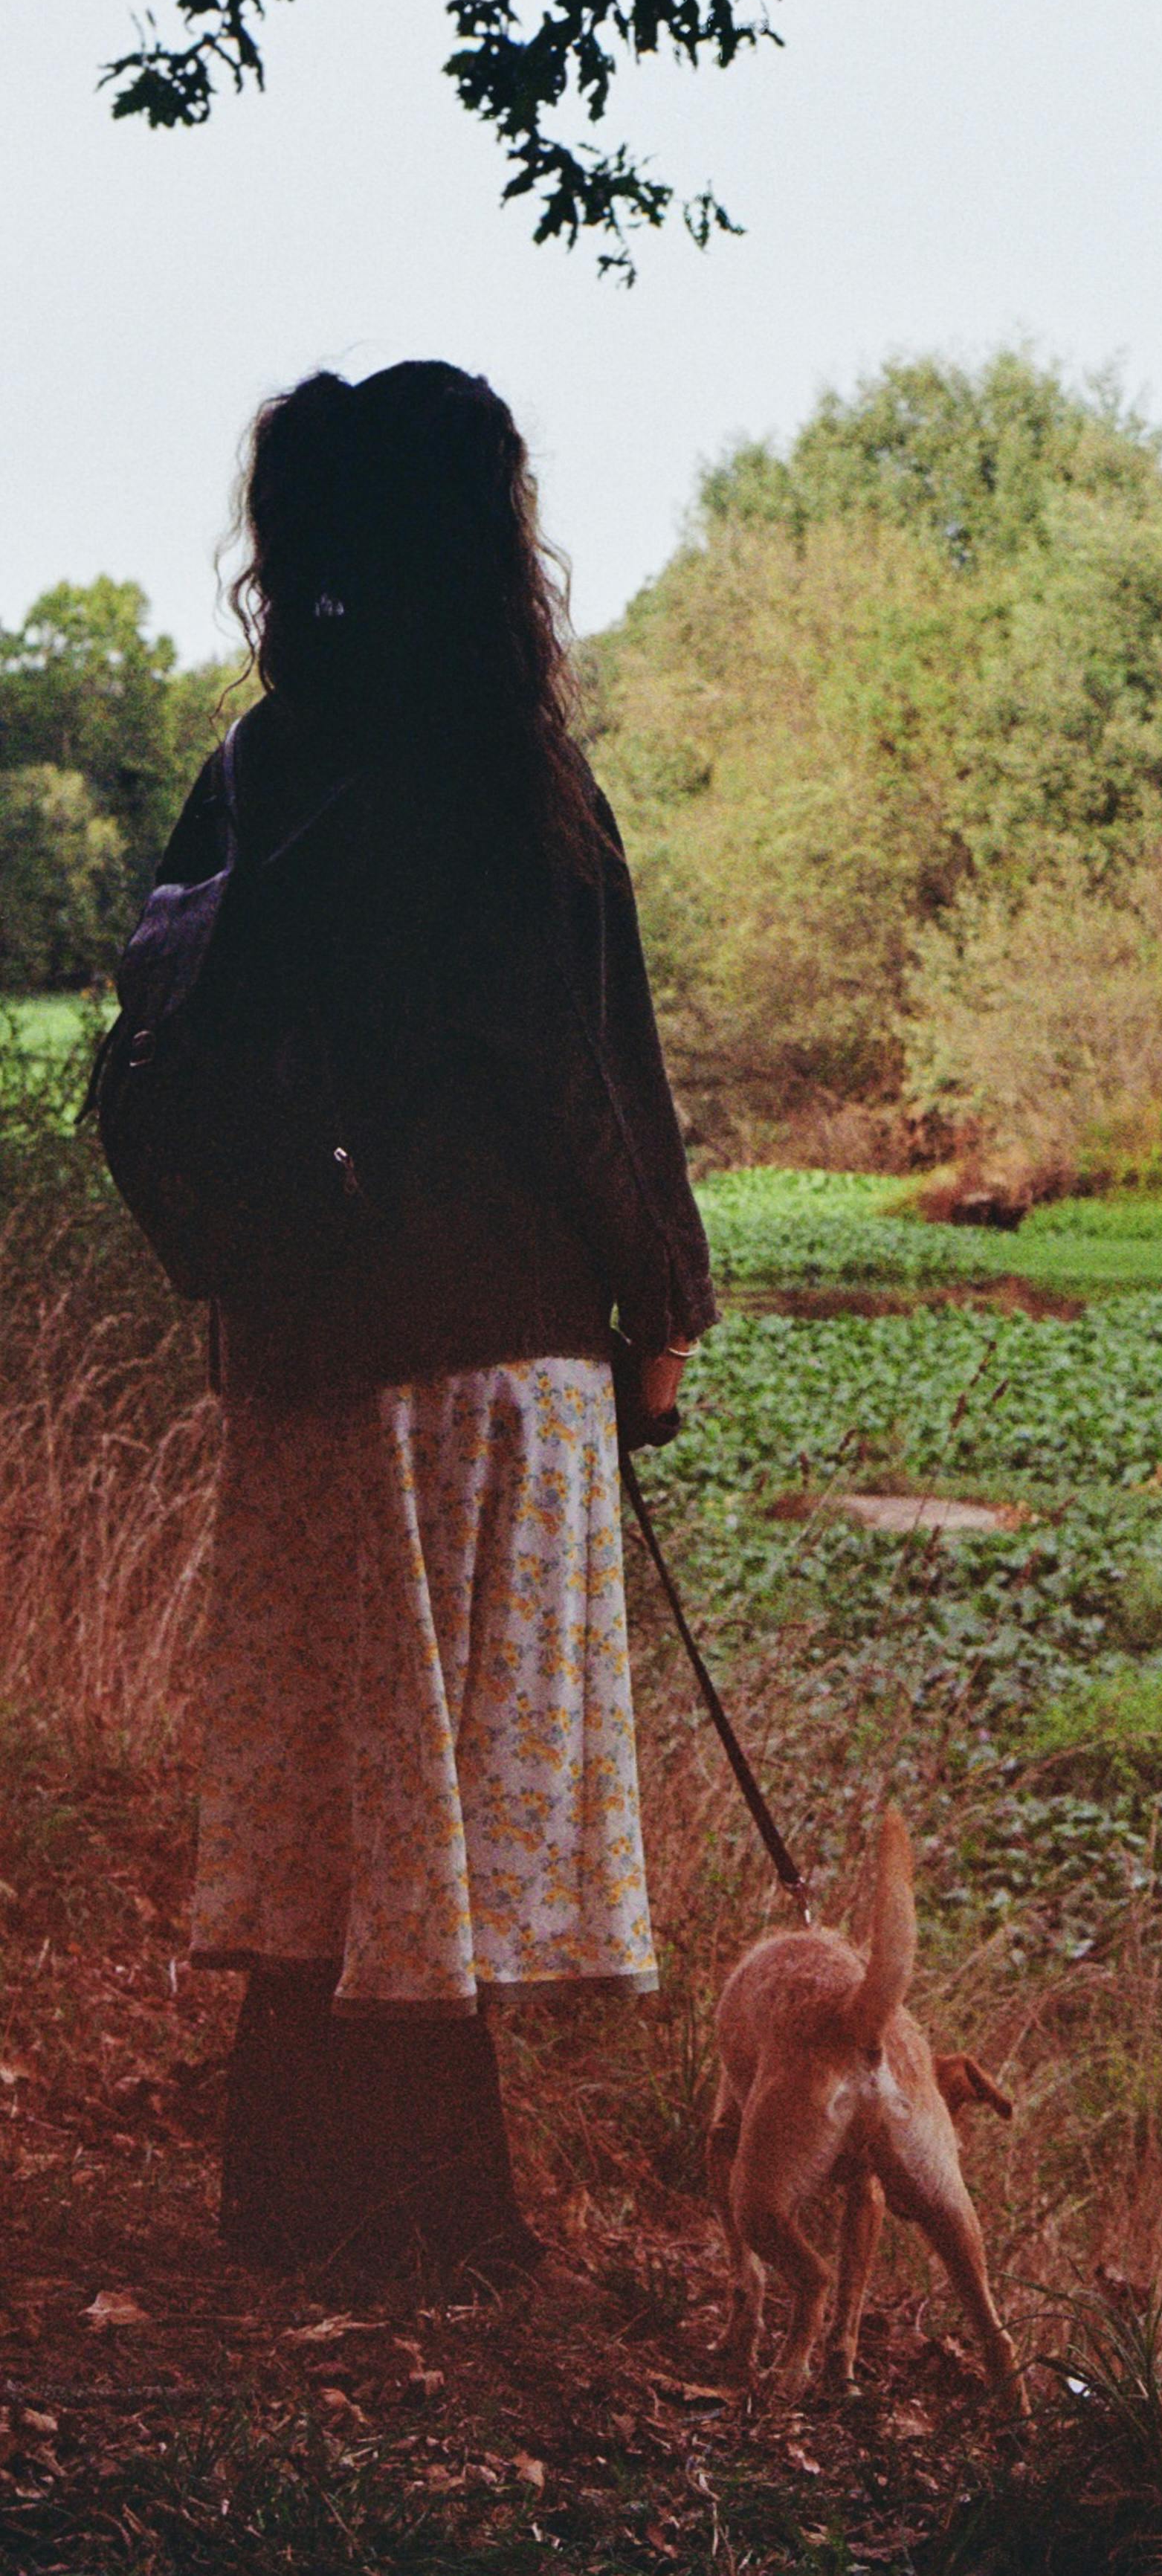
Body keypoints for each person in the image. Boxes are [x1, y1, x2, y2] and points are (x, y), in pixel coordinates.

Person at [159, 361, 714, 2282]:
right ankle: (422, 2227)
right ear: (485, 537)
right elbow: (594, 1074)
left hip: (302, 1335)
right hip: (490, 1337)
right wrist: (664, 1310)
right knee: (448, 1783)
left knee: (337, 1764)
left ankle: (302, 2201)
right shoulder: (512, 773)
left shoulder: (259, 762)